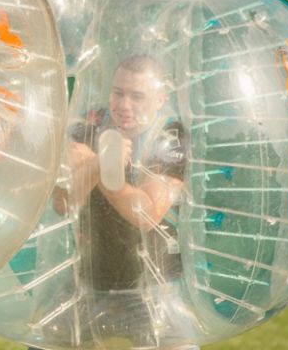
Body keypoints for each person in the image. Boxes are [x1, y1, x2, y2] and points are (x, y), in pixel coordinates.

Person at [48, 55, 190, 349]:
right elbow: (63, 202)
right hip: (88, 280)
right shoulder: (92, 123)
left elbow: (147, 213)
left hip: (152, 286)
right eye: (118, 93)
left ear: (160, 98)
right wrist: (101, 163)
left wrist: (107, 179)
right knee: (45, 339)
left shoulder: (168, 136)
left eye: (137, 96)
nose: (124, 105)